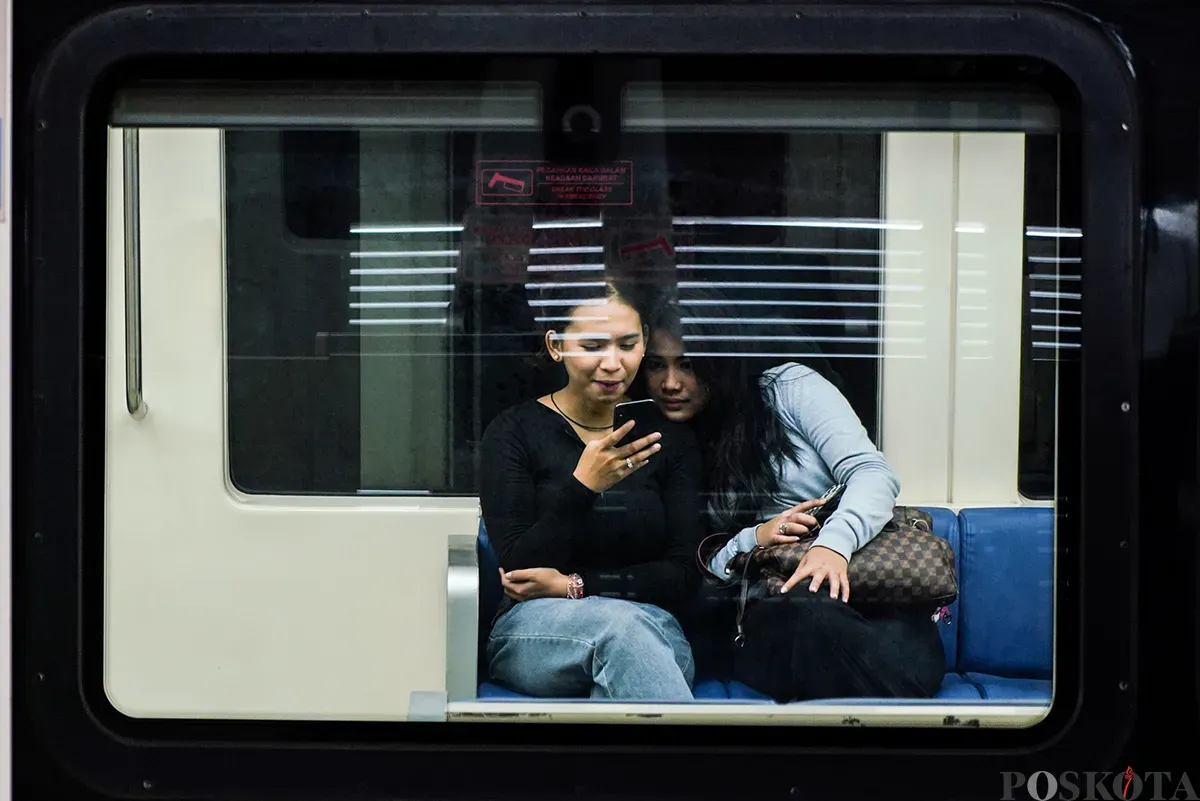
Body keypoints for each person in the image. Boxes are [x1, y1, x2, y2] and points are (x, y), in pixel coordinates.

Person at [639, 292, 946, 702]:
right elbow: (696, 566)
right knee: (800, 618)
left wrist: (833, 546)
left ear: (719, 362)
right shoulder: (666, 443)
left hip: (864, 585)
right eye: (656, 365)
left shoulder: (788, 389)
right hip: (768, 608)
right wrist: (757, 537)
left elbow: (872, 473)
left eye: (689, 364)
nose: (670, 383)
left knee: (896, 654)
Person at [478, 279, 704, 700]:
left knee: (625, 649)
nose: (613, 363)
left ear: (645, 343)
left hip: (652, 625)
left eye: (627, 344)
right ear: (556, 345)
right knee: (620, 633)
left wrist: (575, 585)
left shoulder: (668, 440)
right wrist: (583, 486)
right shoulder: (514, 432)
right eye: (593, 345)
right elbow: (519, 570)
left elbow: (683, 574)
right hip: (535, 628)